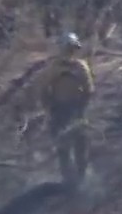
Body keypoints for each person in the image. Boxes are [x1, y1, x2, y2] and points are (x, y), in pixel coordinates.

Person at [36, 32, 95, 185]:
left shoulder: (81, 66)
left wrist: (82, 107)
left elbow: (89, 89)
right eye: (67, 48)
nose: (69, 51)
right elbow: (44, 90)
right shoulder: (53, 68)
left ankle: (82, 178)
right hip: (59, 110)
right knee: (62, 146)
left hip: (77, 109)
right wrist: (49, 108)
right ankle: (68, 179)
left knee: (80, 144)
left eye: (71, 48)